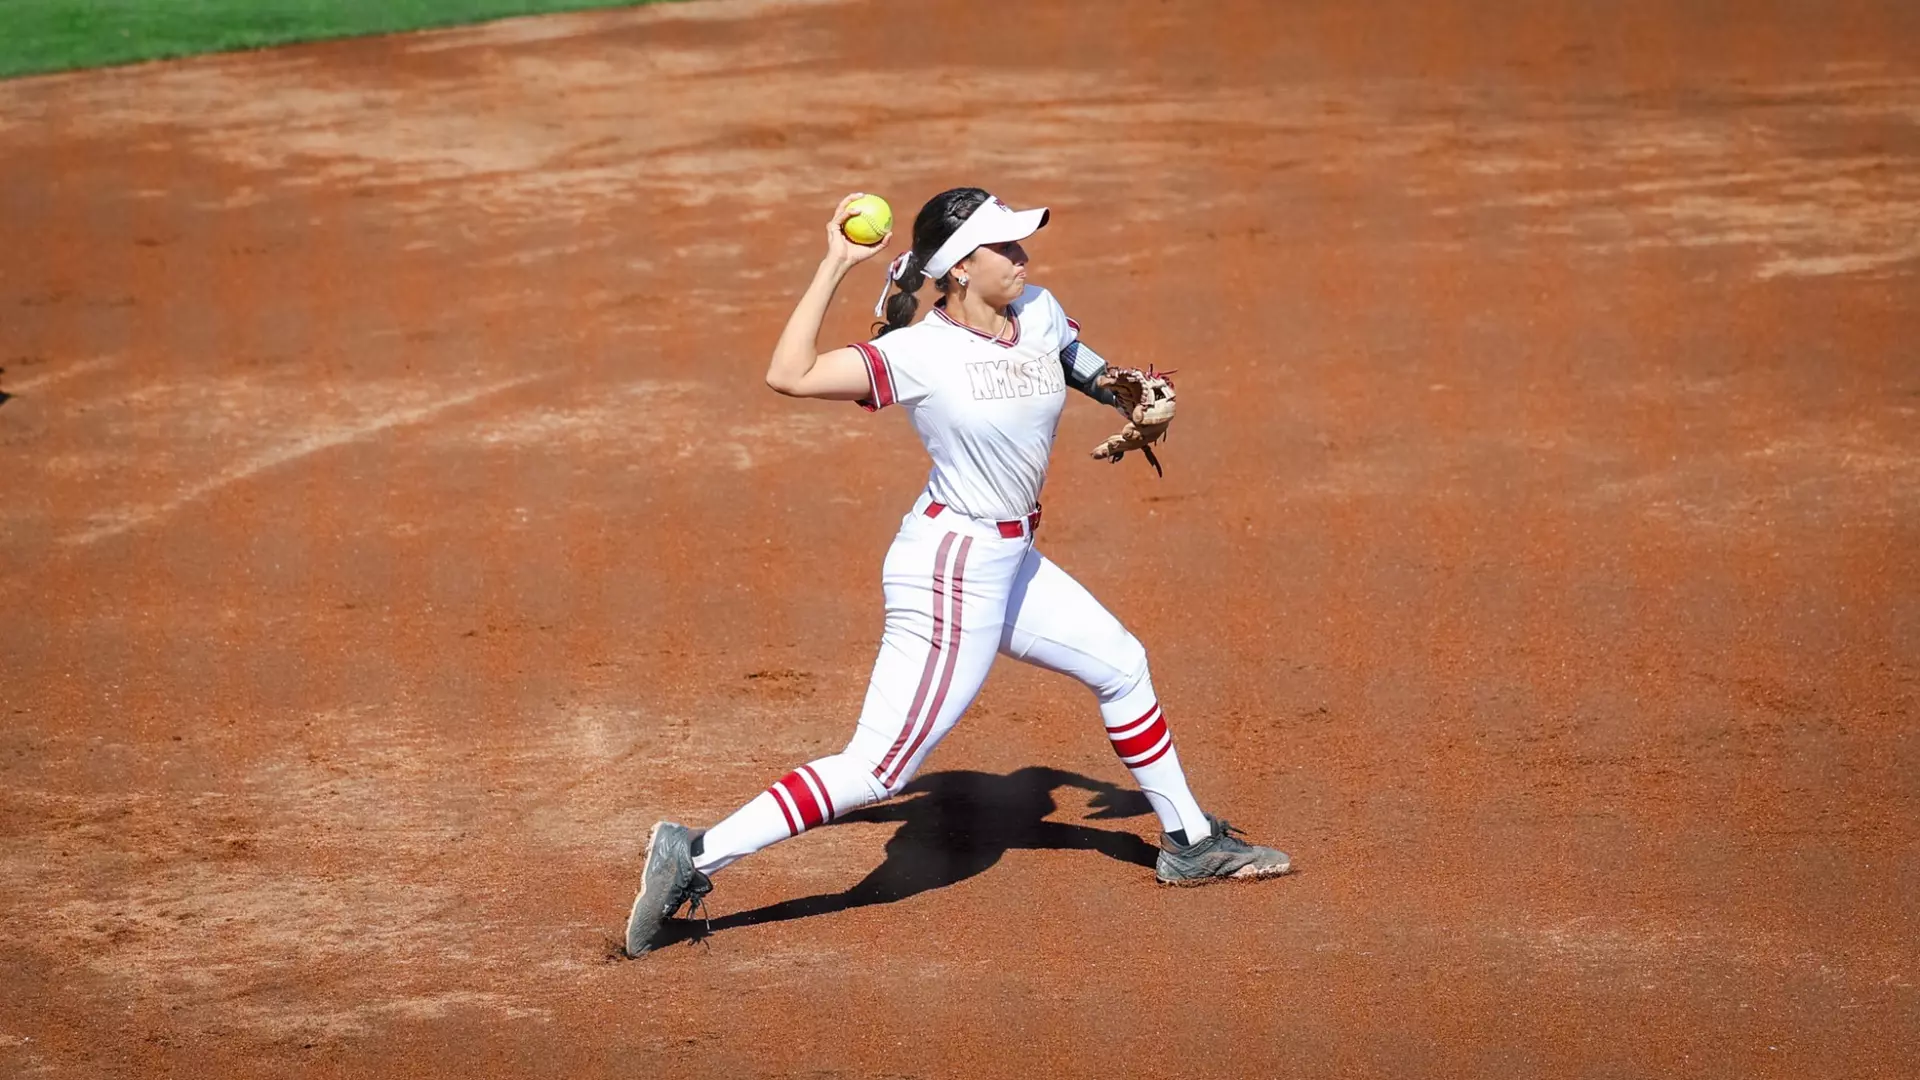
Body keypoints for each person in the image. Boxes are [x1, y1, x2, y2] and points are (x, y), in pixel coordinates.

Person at [626, 188, 1291, 957]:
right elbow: (790, 374)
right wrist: (836, 263)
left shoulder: (1037, 310)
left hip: (1012, 561)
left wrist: (1133, 395)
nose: (1023, 259)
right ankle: (695, 854)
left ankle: (1190, 841)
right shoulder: (920, 354)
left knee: (1122, 666)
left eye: (1020, 245)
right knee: (878, 768)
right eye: (1004, 249)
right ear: (960, 268)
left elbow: (1077, 362)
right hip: (952, 569)